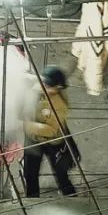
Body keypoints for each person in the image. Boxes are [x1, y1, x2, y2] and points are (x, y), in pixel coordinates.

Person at [23, 67, 78, 198]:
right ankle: (32, 201)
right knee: (30, 174)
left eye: (46, 84)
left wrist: (26, 125)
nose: (43, 85)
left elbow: (51, 130)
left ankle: (71, 198)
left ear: (57, 87)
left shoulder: (57, 105)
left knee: (61, 174)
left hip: (53, 142)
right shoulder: (42, 88)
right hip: (34, 139)